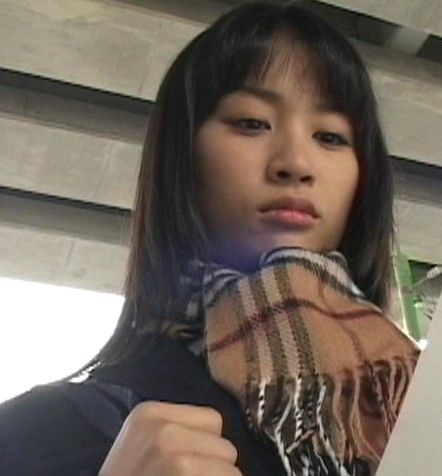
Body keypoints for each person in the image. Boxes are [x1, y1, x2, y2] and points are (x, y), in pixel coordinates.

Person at [0, 1, 420, 475]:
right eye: (251, 123)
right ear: (181, 156)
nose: (296, 163)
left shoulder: (426, 409)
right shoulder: (40, 434)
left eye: (330, 137)